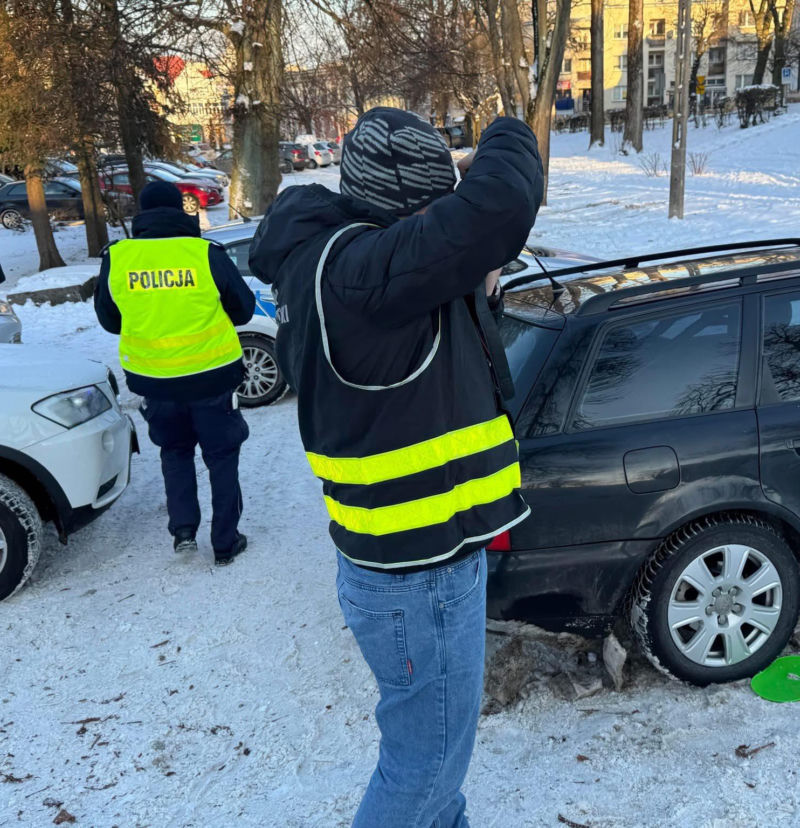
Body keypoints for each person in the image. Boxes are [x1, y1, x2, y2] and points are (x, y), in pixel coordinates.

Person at [248, 109, 544, 827]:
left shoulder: (339, 261)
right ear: (410, 212)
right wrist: (503, 130)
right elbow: (503, 202)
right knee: (423, 770)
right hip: (420, 576)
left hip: (416, 559)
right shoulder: (361, 275)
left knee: (439, 774)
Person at [94, 181, 255, 565]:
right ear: (180, 210)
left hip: (156, 382)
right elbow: (244, 309)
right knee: (221, 456)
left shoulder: (118, 257)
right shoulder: (204, 253)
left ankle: (183, 530)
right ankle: (225, 541)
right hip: (212, 376)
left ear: (142, 214)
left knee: (175, 452)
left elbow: (109, 319)